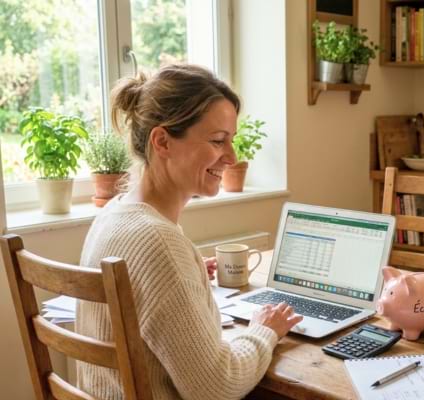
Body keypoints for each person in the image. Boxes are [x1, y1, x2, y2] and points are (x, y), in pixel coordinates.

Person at [76, 64, 302, 400]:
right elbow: (217, 387)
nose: (231, 157)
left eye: (231, 141)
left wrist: (188, 275)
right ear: (162, 141)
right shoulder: (158, 242)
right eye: (217, 141)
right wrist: (263, 331)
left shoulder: (114, 212)